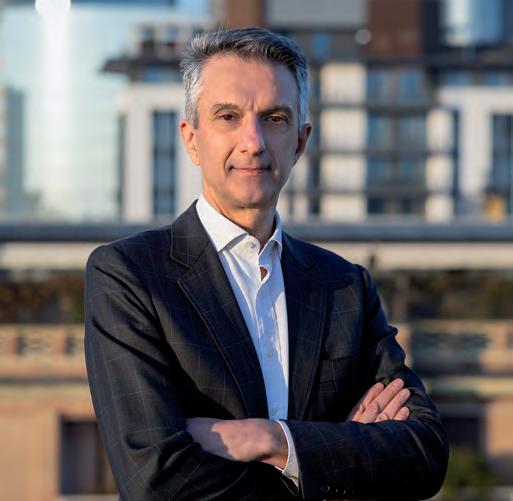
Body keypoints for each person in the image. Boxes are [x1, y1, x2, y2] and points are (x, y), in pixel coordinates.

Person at [85, 28, 448, 500]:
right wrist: (329, 459)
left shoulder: (344, 286)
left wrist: (274, 440)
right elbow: (156, 481)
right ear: (191, 139)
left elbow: (424, 453)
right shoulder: (129, 276)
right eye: (228, 117)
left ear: (300, 141)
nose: (253, 141)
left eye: (274, 118)